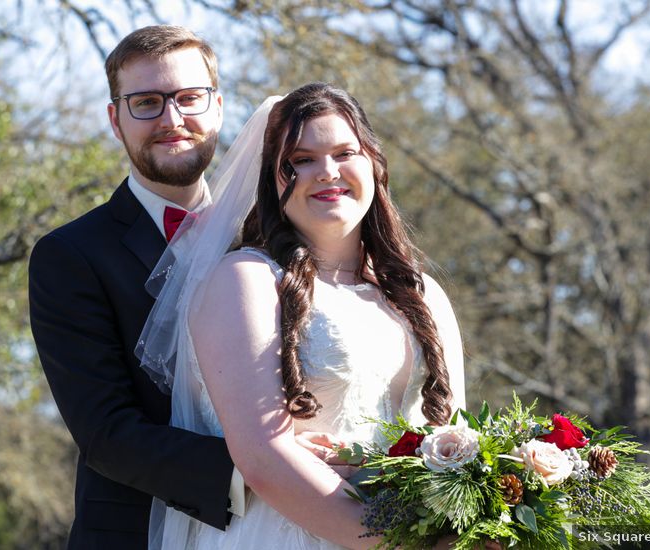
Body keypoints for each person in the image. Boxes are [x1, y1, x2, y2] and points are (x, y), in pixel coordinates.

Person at [28, 27, 341, 548]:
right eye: (147, 102)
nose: (172, 120)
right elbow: (107, 433)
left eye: (189, 98)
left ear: (217, 107)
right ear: (115, 119)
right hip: (137, 534)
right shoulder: (70, 255)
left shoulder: (275, 238)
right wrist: (262, 470)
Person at [138, 82, 468, 548]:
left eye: (344, 152)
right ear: (273, 180)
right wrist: (399, 544)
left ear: (373, 161)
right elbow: (263, 459)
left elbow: (460, 444)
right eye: (301, 160)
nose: (327, 172)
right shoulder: (246, 281)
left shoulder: (422, 294)